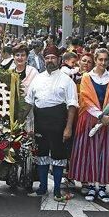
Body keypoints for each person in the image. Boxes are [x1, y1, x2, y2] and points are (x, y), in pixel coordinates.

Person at [25, 45, 78, 202]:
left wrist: (68, 127)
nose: (50, 61)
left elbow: (72, 105)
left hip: (59, 122)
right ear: (44, 59)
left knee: (58, 157)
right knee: (41, 155)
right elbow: (29, 102)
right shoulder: (38, 78)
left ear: (59, 59)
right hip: (41, 122)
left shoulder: (67, 81)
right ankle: (42, 188)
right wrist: (19, 119)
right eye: (47, 58)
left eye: (53, 58)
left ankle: (56, 191)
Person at [70, 48, 109, 203]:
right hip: (90, 120)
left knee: (105, 154)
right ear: (96, 59)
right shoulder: (87, 77)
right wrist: (100, 115)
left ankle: (103, 188)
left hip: (108, 120)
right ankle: (92, 185)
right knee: (90, 153)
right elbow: (85, 100)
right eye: (100, 60)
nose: (103, 63)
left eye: (106, 60)